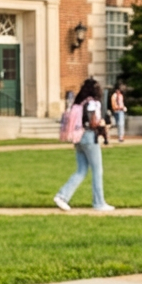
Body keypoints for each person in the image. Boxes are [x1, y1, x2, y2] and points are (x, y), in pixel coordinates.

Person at [53, 79, 114, 212]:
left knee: (81, 170)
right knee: (97, 170)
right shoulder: (93, 103)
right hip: (89, 136)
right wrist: (101, 125)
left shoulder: (79, 103)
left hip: (78, 137)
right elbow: (93, 122)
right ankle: (99, 202)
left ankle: (62, 196)